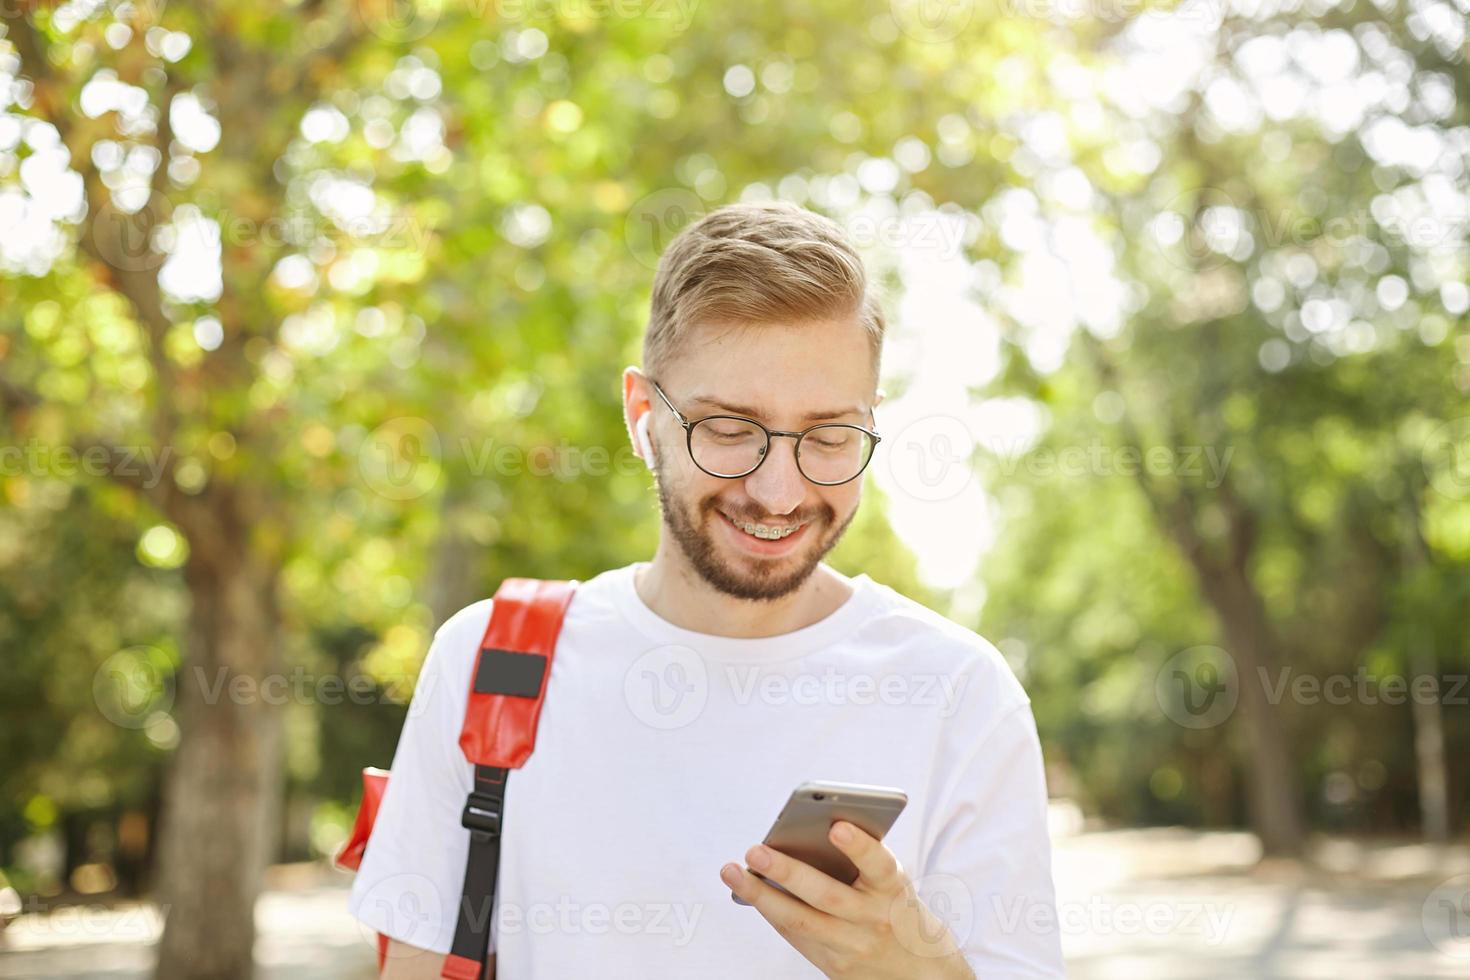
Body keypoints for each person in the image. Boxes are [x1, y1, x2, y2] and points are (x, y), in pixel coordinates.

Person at [348, 201, 1064, 978]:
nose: (779, 491)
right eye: (728, 429)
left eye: (828, 436)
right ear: (643, 415)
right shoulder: (492, 661)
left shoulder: (959, 695)